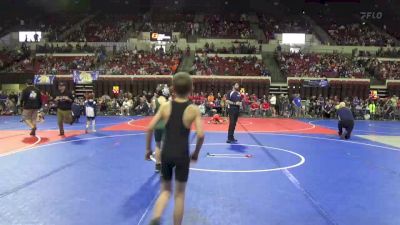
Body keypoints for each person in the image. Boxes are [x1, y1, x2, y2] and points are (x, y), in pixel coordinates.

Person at [145, 72, 204, 225]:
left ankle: (155, 218)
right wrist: (196, 153)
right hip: (182, 154)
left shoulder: (165, 106)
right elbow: (201, 135)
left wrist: (147, 150)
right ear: (191, 89)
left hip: (166, 153)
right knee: (179, 195)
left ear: (173, 89)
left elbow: (149, 128)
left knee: (165, 191)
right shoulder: (193, 109)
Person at [152, 85, 168, 172]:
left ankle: (158, 165)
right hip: (165, 125)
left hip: (157, 125)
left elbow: (153, 110)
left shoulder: (154, 101)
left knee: (158, 145)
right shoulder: (168, 101)